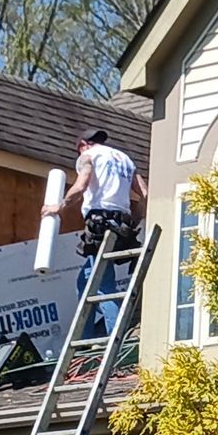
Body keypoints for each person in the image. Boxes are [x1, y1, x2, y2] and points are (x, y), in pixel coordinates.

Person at [44, 129, 147, 335]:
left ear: (83, 144)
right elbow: (145, 194)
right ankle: (86, 338)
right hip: (121, 224)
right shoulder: (125, 159)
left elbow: (81, 185)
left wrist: (59, 206)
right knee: (85, 282)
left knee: (102, 286)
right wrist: (133, 221)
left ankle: (116, 338)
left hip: (100, 225)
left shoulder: (88, 156)